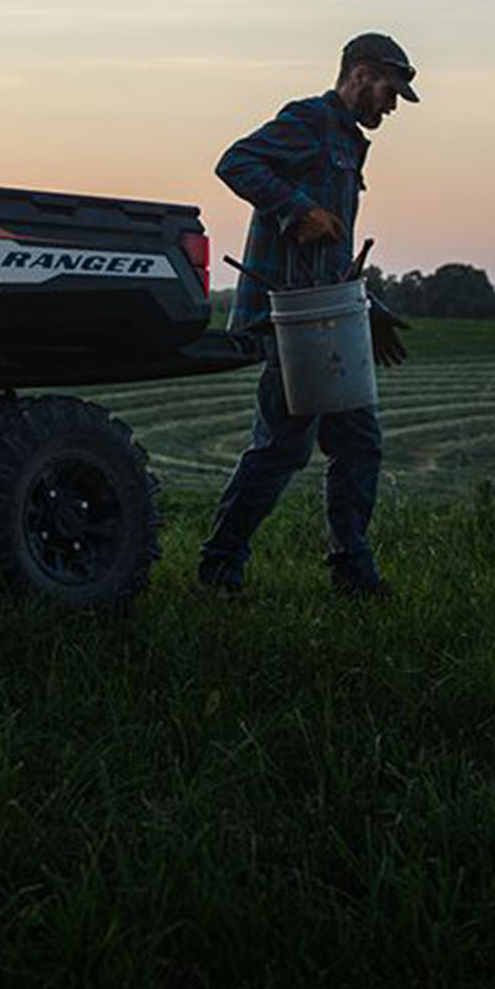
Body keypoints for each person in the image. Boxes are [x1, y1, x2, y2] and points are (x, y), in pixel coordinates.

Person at [196, 32, 417, 599]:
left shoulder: (346, 141)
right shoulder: (311, 121)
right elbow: (235, 162)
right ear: (362, 74)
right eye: (390, 91)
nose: (392, 107)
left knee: (359, 443)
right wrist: (296, 208)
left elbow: (332, 250)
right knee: (281, 448)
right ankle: (219, 567)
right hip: (290, 318)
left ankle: (351, 569)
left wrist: (369, 308)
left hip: (329, 316)